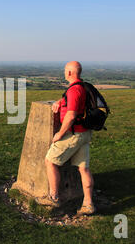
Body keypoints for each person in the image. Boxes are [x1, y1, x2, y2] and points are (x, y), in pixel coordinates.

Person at [36, 61, 95, 215]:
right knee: (83, 168)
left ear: (69, 73)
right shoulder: (82, 86)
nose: (64, 72)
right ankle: (88, 204)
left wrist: (60, 134)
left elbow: (71, 115)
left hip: (74, 134)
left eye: (65, 70)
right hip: (85, 133)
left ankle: (54, 198)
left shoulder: (74, 90)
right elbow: (73, 103)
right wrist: (59, 102)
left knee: (50, 161)